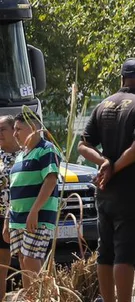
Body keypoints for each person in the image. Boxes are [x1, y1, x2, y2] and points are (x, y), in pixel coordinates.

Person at [77, 58, 135, 302]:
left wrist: (103, 164)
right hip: (134, 190)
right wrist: (113, 167)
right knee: (125, 253)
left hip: (105, 191)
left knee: (106, 251)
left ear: (122, 79)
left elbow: (84, 145)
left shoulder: (104, 105)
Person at [9, 112, 61, 298]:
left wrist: (34, 210)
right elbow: (14, 190)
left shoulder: (46, 149)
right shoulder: (20, 155)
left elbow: (51, 180)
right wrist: (9, 220)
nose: (14, 134)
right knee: (23, 262)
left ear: (32, 129)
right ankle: (31, 298)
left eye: (18, 129)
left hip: (36, 218)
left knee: (31, 260)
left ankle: (41, 298)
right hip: (17, 220)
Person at [0, 116, 19, 299]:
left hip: (16, 214)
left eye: (2, 129)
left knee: (10, 261)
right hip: (0, 214)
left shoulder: (24, 155)